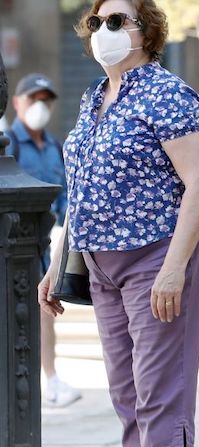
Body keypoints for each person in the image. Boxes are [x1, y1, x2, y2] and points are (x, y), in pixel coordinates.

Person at [37, 0, 199, 446]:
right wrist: (58, 265)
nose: (103, 32)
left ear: (147, 32)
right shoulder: (94, 98)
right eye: (97, 23)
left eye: (117, 22)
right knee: (125, 390)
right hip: (100, 263)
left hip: (155, 255)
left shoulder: (169, 95)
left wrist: (174, 269)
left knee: (160, 392)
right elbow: (81, 191)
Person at [8, 73, 81, 407]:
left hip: (48, 243)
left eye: (45, 100)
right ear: (17, 102)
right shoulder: (8, 142)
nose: (39, 106)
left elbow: (67, 190)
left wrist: (62, 225)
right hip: (14, 242)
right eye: (33, 99)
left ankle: (50, 379)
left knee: (44, 309)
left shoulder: (53, 146)